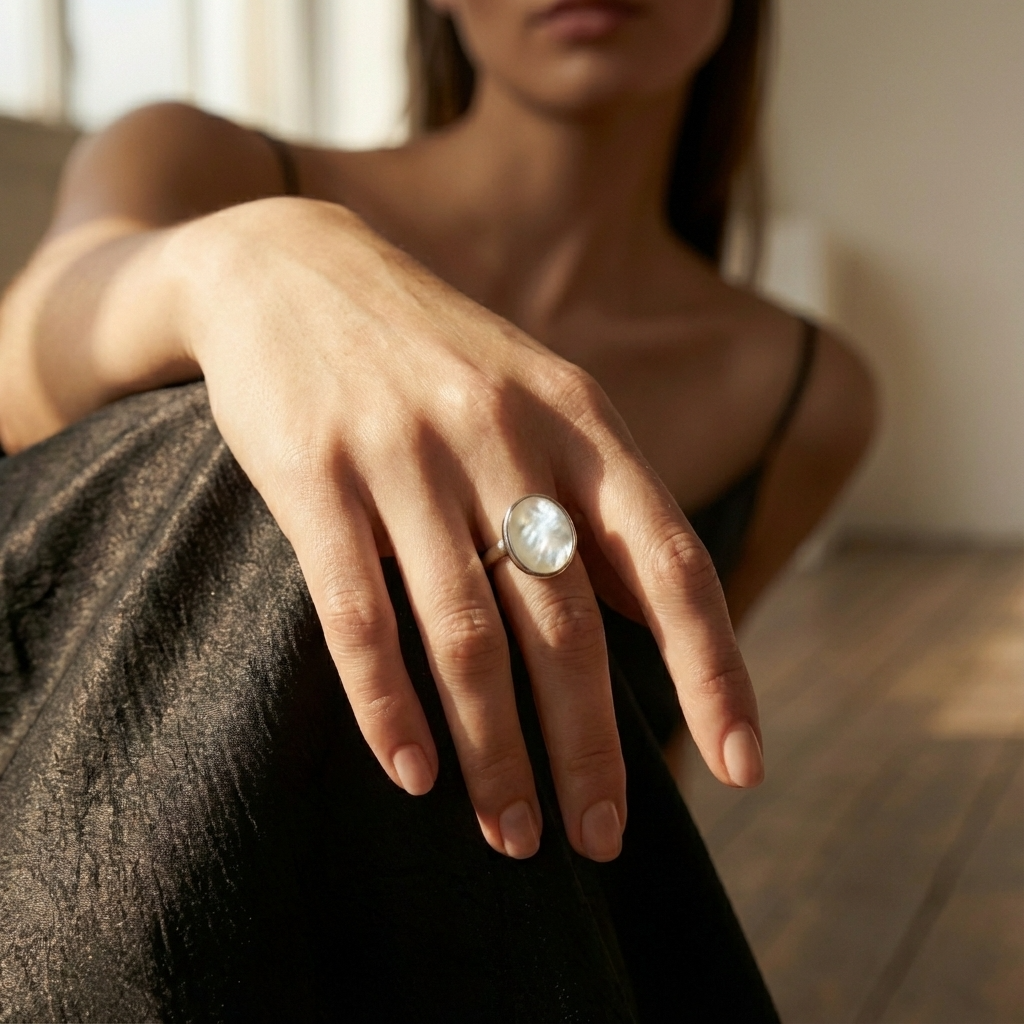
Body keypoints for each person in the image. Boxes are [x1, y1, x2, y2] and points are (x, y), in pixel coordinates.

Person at [0, 0, 874, 1019]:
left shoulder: (804, 394)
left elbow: (643, 754)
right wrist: (246, 263)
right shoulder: (207, 167)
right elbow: (24, 366)